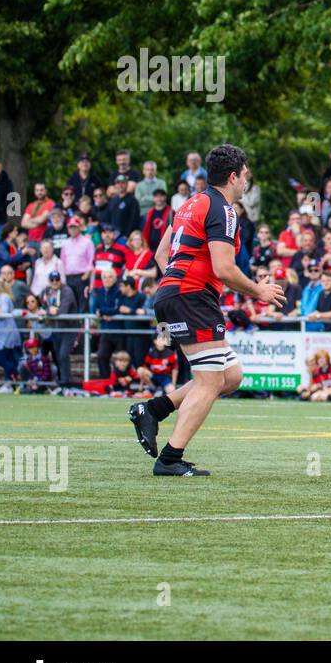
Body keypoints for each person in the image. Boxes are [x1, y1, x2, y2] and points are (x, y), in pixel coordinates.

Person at [127, 144, 285, 476]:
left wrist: (189, 277)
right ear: (233, 176)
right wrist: (260, 291)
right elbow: (224, 269)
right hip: (192, 297)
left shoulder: (190, 203)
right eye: (245, 176)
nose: (247, 182)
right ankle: (169, 459)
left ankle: (152, 410)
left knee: (230, 376)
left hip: (174, 294)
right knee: (211, 380)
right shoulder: (224, 210)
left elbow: (161, 256)